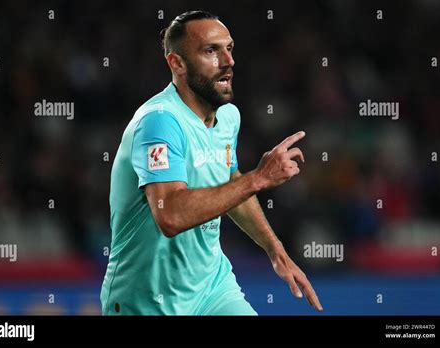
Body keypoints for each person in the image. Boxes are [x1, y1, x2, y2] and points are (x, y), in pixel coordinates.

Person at [100, 10, 323, 315]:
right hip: (147, 299)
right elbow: (171, 215)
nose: (228, 60)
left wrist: (275, 249)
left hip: (212, 289)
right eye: (211, 51)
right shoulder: (160, 123)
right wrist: (258, 178)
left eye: (229, 48)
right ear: (176, 63)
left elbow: (230, 185)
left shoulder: (229, 116)